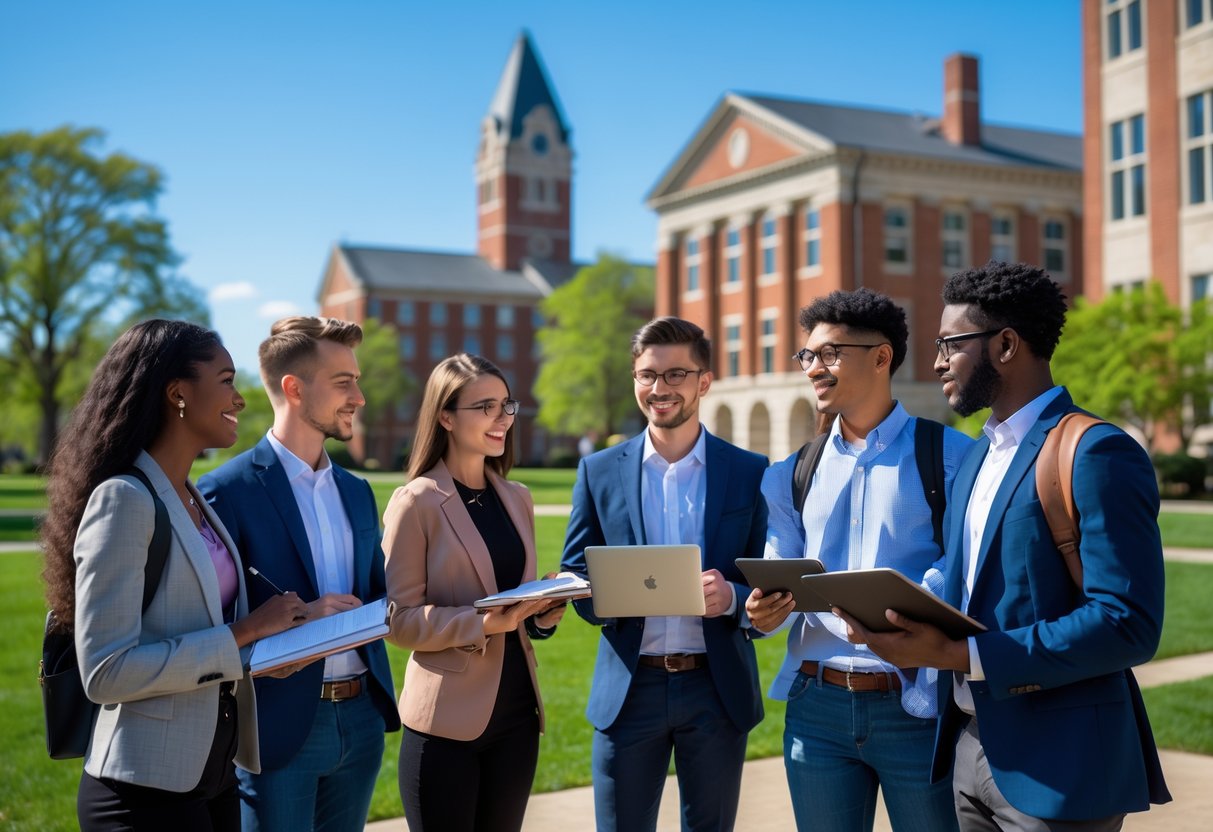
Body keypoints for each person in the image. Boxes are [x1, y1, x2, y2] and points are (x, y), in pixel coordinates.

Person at [836, 261, 1171, 831]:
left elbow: (1126, 623)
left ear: (1007, 344)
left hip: (1059, 764)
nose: (937, 360)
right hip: (968, 745)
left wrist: (963, 656)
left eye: (949, 343)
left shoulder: (1095, 452)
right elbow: (968, 578)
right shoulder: (979, 455)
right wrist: (901, 603)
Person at [40, 320, 307, 831]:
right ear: (178, 393)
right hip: (143, 791)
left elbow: (191, 632)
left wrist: (259, 656)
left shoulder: (192, 496)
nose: (241, 398)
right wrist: (246, 632)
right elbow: (106, 671)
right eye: (227, 380)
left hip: (213, 774)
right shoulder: (124, 499)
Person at [745, 289, 970, 832]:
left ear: (881, 356)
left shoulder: (951, 457)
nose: (813, 369)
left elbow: (964, 569)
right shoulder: (788, 474)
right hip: (814, 709)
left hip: (916, 705)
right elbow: (781, 562)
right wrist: (761, 609)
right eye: (808, 356)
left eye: (829, 354)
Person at [560, 316, 768, 832]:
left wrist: (736, 598)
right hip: (630, 691)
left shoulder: (750, 470)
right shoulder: (599, 470)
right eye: (647, 375)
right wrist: (604, 593)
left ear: (704, 381)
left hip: (716, 689)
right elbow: (574, 570)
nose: (659, 388)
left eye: (676, 375)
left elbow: (770, 575)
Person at [198, 316, 400, 831]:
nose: (359, 396)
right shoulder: (227, 490)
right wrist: (298, 622)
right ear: (293, 388)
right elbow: (208, 630)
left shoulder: (357, 491)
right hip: (279, 725)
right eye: (343, 382)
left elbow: (380, 595)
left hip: (361, 722)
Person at [382, 353, 565, 832]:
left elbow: (513, 603)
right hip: (445, 725)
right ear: (445, 415)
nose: (502, 419)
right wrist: (482, 623)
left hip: (517, 718)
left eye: (507, 406)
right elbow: (397, 619)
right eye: (485, 407)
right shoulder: (416, 502)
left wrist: (542, 612)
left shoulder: (516, 496)